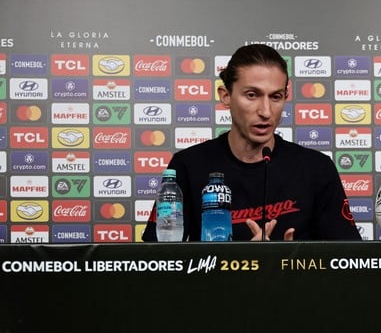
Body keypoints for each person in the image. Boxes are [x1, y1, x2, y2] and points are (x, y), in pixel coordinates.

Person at [143, 43, 360, 242]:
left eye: (275, 97)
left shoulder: (316, 168)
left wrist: (291, 261)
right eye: (252, 95)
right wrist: (245, 260)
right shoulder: (187, 166)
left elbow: (347, 263)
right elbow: (159, 262)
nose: (265, 111)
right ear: (226, 95)